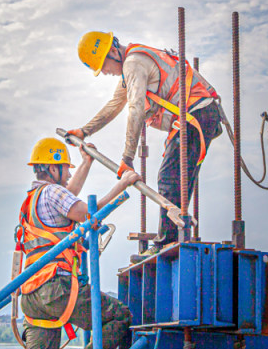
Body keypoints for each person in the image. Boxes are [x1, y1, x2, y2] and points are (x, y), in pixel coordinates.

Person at [12, 137, 137, 349]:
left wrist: (86, 161)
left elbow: (70, 197)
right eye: (65, 167)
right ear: (52, 168)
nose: (68, 173)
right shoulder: (53, 193)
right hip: (57, 289)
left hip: (32, 294)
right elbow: (87, 213)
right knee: (119, 316)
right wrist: (123, 184)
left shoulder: (35, 197)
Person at [69, 31, 224, 254]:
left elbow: (136, 110)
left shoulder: (133, 64)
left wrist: (127, 158)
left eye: (103, 65)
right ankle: (175, 236)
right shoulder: (131, 66)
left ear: (113, 51)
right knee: (176, 177)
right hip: (198, 114)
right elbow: (115, 105)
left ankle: (168, 243)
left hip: (196, 113)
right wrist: (85, 131)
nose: (104, 72)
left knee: (170, 178)